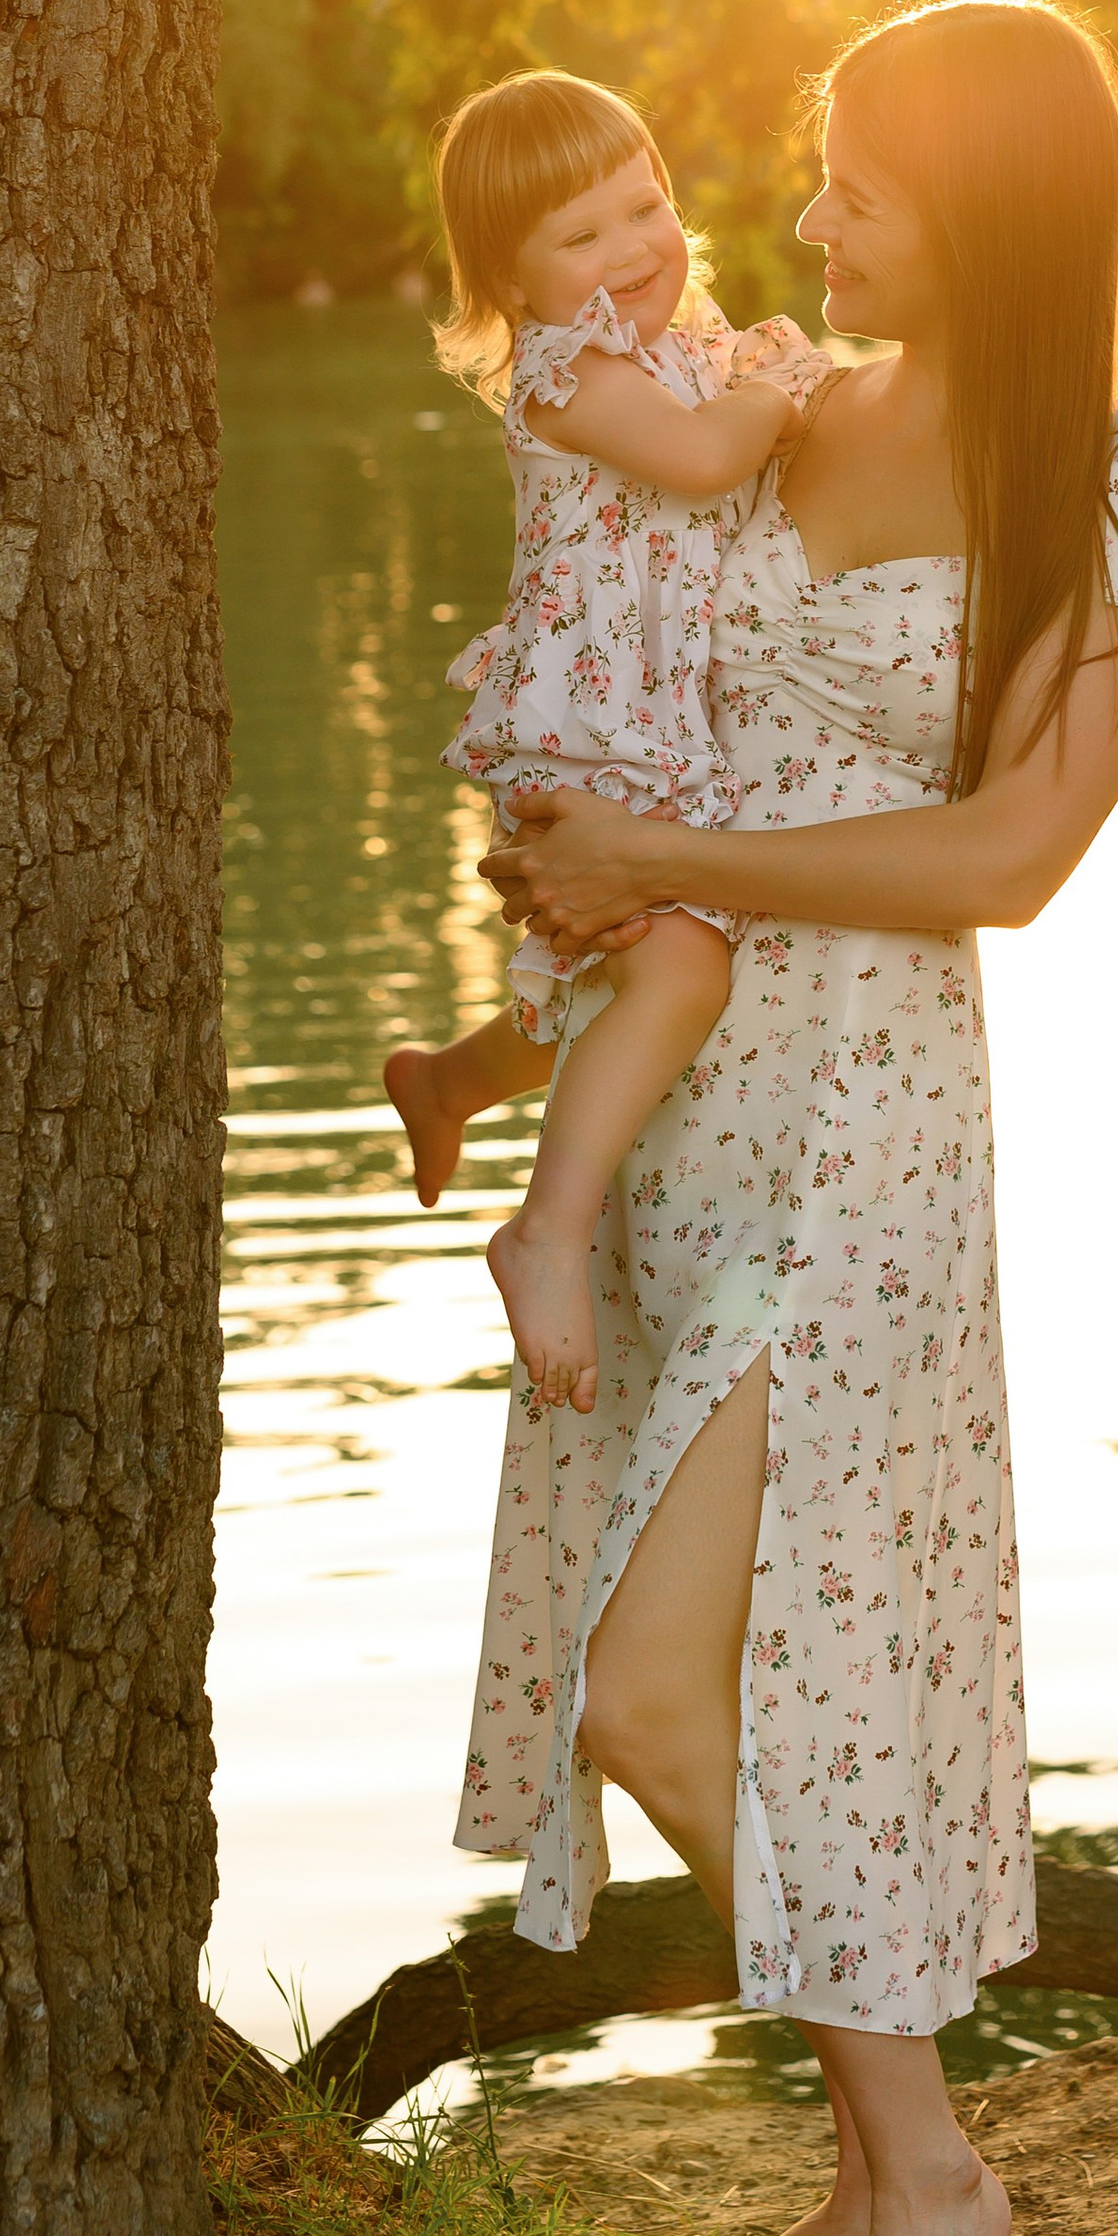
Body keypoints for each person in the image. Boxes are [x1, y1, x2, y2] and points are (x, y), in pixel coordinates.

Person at [451, 0, 1118, 2236]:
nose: (801, 222)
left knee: (652, 1686)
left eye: (856, 190)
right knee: (731, 1674)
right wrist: (552, 910)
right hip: (681, 1086)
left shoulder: (1117, 466)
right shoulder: (775, 399)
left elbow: (1009, 853)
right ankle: (860, 2168)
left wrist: (662, 854)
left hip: (864, 1123)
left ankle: (937, 2181)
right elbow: (635, 676)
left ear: (980, 213)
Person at [384, 72, 829, 1413]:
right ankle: (546, 1233)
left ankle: (444, 1084)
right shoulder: (567, 373)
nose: (634, 247)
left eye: (646, 206)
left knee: (607, 983)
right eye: (581, 235)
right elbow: (702, 460)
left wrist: (771, 382)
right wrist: (783, 391)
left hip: (654, 717)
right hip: (587, 728)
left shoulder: (682, 350)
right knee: (680, 971)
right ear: (512, 284)